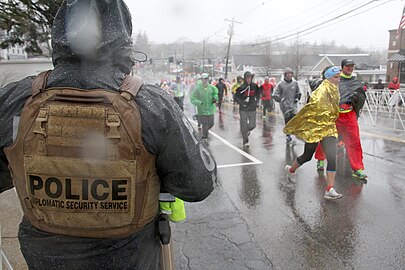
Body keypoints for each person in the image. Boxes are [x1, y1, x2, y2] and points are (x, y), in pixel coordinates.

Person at [0, 1, 216, 269]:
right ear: (123, 40)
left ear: (59, 35)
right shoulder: (153, 105)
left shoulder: (14, 100)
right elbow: (199, 184)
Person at [284, 66, 343, 200]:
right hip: (315, 128)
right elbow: (312, 107)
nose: (339, 80)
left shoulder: (334, 88)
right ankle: (291, 170)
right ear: (328, 77)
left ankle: (329, 189)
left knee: (332, 157)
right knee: (307, 156)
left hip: (329, 128)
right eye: (336, 77)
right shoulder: (321, 91)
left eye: (339, 77)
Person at [273, 68, 302, 143]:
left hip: (293, 104)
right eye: (287, 74)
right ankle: (288, 134)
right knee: (288, 119)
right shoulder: (281, 84)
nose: (289, 75)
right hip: (285, 106)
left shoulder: (295, 83)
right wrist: (280, 99)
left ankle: (294, 130)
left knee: (294, 117)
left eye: (290, 73)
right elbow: (275, 94)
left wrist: (297, 98)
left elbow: (298, 92)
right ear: (285, 75)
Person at [234, 71, 261, 147]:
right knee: (243, 125)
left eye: (250, 77)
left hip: (252, 108)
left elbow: (258, 94)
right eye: (247, 77)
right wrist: (241, 102)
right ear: (245, 78)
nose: (249, 79)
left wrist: (257, 102)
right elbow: (235, 97)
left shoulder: (255, 86)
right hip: (243, 109)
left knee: (253, 125)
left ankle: (247, 130)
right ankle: (245, 140)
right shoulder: (241, 87)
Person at [190, 73, 218, 143]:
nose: (205, 80)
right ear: (201, 79)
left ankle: (205, 130)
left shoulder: (212, 87)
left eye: (206, 79)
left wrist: (215, 98)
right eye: (204, 79)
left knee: (211, 123)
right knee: (205, 124)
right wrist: (199, 103)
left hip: (211, 109)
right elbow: (193, 98)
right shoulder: (198, 89)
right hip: (202, 110)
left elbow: (215, 93)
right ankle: (204, 136)